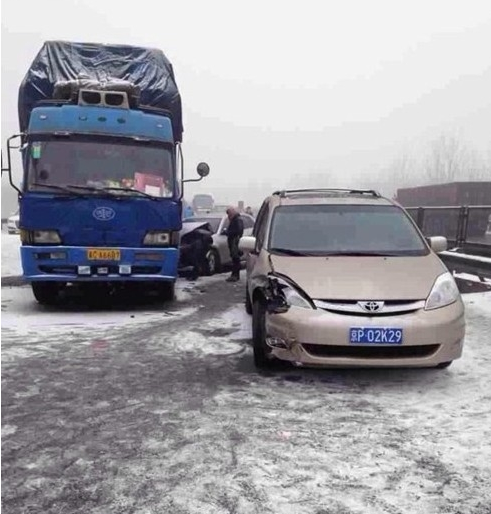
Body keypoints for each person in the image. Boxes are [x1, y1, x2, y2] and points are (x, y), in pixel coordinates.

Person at [225, 206, 244, 282]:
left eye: (229, 214)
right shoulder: (235, 219)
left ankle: (235, 275)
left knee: (235, 258)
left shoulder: (237, 220)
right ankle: (234, 275)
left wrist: (228, 232)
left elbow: (237, 231)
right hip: (233, 241)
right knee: (235, 259)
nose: (228, 216)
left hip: (235, 241)